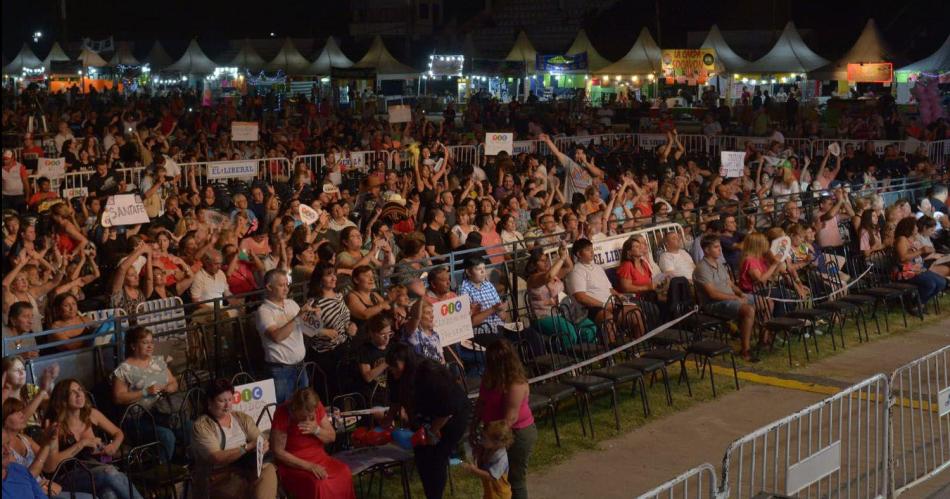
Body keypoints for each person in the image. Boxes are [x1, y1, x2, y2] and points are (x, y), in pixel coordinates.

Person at [385, 345, 470, 499]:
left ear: (406, 362)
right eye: (390, 366)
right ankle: (430, 493)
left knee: (436, 456)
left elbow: (448, 407)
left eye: (395, 365)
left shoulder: (428, 373)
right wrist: (388, 420)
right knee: (421, 455)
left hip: (452, 415)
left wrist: (432, 430)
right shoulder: (395, 375)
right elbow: (396, 399)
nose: (392, 369)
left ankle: (435, 495)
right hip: (427, 415)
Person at [44, 379, 143, 499]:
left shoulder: (91, 414)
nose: (79, 394)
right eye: (73, 392)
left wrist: (114, 446)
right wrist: (82, 444)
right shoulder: (56, 426)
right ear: (63, 400)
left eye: (80, 390)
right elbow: (50, 466)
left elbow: (118, 432)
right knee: (110, 472)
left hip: (95, 469)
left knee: (108, 494)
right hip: (67, 478)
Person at [191, 379, 278, 499]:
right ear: (209, 402)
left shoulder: (241, 417)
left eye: (230, 400)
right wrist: (246, 448)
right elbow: (217, 457)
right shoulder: (202, 426)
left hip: (246, 467)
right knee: (240, 487)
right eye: (221, 401)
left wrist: (263, 445)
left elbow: (259, 438)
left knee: (268, 470)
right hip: (220, 475)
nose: (227, 405)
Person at [472, 339, 537, 499]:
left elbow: (509, 420)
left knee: (515, 479)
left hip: (515, 433)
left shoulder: (516, 384)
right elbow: (481, 402)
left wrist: (491, 444)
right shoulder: (490, 377)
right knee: (494, 483)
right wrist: (473, 427)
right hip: (492, 433)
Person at [110, 326, 181, 462]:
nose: (150, 346)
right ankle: (162, 473)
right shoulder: (124, 369)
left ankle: (185, 465)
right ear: (133, 346)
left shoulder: (158, 362)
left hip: (162, 411)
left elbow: (174, 383)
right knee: (166, 436)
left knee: (187, 427)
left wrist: (169, 388)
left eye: (151, 342)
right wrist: (145, 392)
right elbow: (118, 398)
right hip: (137, 419)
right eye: (144, 342)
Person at [270, 388, 355, 499]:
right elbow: (278, 452)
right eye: (302, 416)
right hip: (294, 464)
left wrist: (317, 430)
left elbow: (332, 436)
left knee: (344, 472)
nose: (306, 419)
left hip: (319, 458)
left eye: (310, 416)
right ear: (294, 409)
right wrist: (309, 466)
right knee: (320, 484)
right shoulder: (283, 413)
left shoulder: (316, 406)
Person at [3, 398, 92, 499]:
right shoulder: (4, 449)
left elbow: (49, 467)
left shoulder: (25, 439)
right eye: (16, 412)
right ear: (4, 419)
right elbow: (25, 477)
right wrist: (46, 444)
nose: (22, 415)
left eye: (21, 411)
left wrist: (52, 441)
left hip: (46, 487)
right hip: (29, 492)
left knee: (106, 493)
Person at [693, 235, 759, 361]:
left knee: (766, 302)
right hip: (714, 304)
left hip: (730, 298)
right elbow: (712, 294)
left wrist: (740, 293)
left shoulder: (719, 264)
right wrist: (735, 298)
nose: (720, 250)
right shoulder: (702, 268)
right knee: (748, 310)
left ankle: (764, 340)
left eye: (720, 247)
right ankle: (745, 350)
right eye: (716, 247)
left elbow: (730, 284)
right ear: (706, 250)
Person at [256, 269, 315, 404]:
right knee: (284, 409)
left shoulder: (292, 304)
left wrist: (316, 317)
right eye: (281, 285)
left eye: (287, 285)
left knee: (305, 407)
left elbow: (308, 330)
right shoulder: (264, 311)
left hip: (301, 365)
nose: (286, 289)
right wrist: (298, 316)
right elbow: (277, 336)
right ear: (269, 287)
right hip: (280, 370)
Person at [304, 262, 358, 399]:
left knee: (346, 391)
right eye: (329, 275)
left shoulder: (339, 296)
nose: (334, 278)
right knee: (331, 395)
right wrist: (324, 331)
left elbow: (345, 319)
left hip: (343, 349)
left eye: (334, 274)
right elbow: (305, 328)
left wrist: (351, 325)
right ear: (319, 279)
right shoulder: (314, 302)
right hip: (325, 356)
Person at [524, 245, 596, 345]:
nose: (546, 262)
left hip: (564, 311)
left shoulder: (554, 275)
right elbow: (548, 276)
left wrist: (563, 251)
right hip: (544, 316)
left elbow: (569, 267)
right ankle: (569, 356)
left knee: (589, 327)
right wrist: (561, 258)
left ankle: (587, 353)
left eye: (546, 260)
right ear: (534, 264)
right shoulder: (533, 279)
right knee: (569, 333)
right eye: (542, 261)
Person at [893, 217, 947, 307]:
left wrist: (927, 252)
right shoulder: (902, 239)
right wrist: (921, 251)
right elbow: (903, 258)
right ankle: (916, 304)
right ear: (909, 227)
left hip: (918, 269)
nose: (917, 228)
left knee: (942, 282)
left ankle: (919, 302)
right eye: (915, 226)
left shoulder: (913, 239)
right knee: (930, 284)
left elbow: (918, 255)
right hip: (905, 272)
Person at [463, 419, 514, 499]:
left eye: (484, 438)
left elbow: (491, 476)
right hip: (490, 493)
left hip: (500, 495)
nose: (481, 439)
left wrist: (474, 470)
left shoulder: (501, 459)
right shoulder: (490, 449)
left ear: (496, 442)